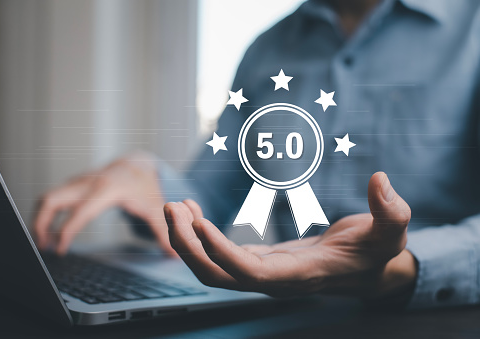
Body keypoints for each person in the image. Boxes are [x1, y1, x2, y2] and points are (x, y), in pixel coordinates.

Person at [34, 0, 480, 309]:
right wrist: (150, 179)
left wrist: (402, 267)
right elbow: (211, 193)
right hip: (283, 316)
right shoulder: (268, 50)